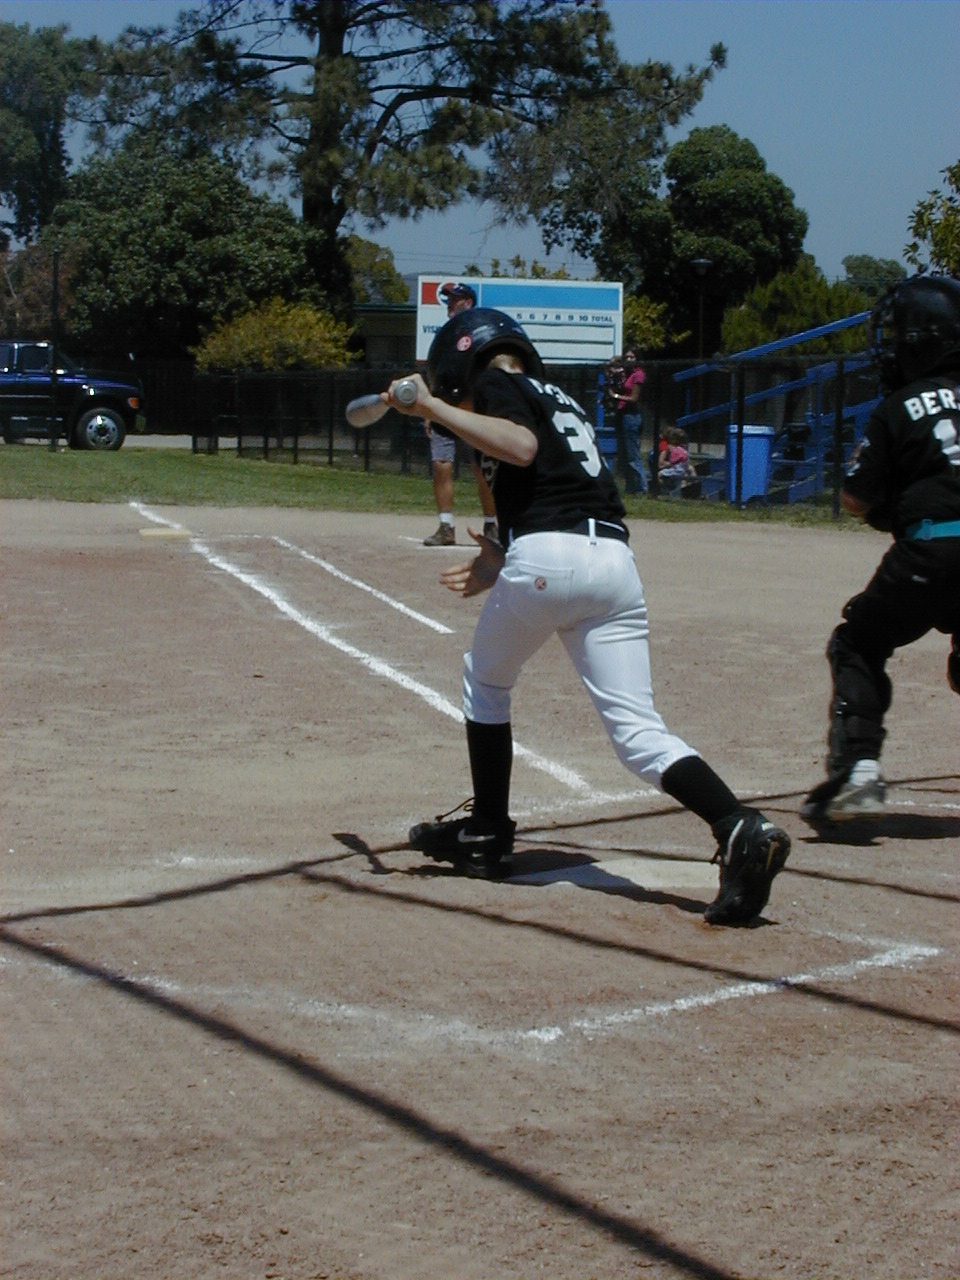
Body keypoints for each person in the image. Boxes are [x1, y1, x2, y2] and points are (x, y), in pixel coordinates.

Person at [383, 307, 791, 926]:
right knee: (638, 732)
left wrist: (432, 407)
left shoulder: (497, 382)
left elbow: (520, 449)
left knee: (485, 679)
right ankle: (739, 824)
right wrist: (498, 553)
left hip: (551, 560)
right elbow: (542, 478)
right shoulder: (557, 398)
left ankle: (487, 831)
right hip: (614, 565)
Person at [802, 274, 960, 824]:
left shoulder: (900, 404)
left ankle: (859, 770)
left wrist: (889, 508)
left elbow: (854, 497)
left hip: (930, 553)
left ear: (923, 341)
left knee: (858, 643)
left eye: (899, 336)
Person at [422, 282, 499, 546]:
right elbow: (435, 372)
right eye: (449, 299)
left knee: (482, 469)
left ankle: (491, 526)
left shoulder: (481, 330)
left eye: (455, 299)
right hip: (444, 408)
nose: (450, 303)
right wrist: (429, 410)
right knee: (441, 465)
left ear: (469, 302)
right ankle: (446, 527)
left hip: (474, 410)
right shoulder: (445, 335)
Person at [609, 349, 647, 494]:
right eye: (627, 357)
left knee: (633, 455)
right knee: (623, 454)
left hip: (631, 416)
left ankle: (642, 488)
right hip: (621, 414)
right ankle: (630, 487)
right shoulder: (625, 374)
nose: (629, 360)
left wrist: (615, 396)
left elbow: (634, 398)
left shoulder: (638, 374)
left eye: (632, 357)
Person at [657, 426, 698, 491]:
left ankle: (666, 489)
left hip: (676, 470)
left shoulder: (674, 449)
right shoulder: (684, 448)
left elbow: (672, 462)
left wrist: (669, 464)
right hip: (683, 469)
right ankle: (692, 483)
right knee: (688, 472)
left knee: (658, 475)